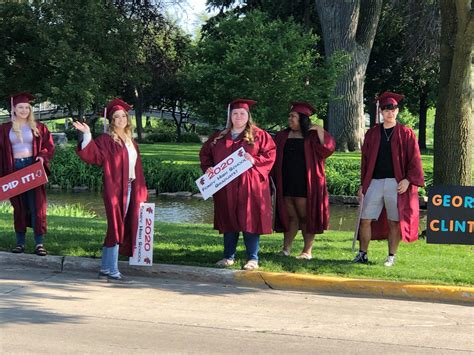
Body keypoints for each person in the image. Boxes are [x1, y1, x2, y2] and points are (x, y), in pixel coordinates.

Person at [73, 98, 147, 281]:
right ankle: (112, 269)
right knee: (116, 227)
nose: (121, 119)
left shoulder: (131, 140)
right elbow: (94, 157)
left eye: (123, 116)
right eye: (117, 116)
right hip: (115, 189)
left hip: (131, 187)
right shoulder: (106, 140)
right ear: (111, 120)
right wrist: (88, 135)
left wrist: (141, 190)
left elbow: (136, 167)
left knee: (118, 227)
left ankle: (106, 268)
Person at [199, 99, 276, 271]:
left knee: (250, 220)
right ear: (230, 116)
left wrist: (254, 160)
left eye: (242, 113)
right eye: (235, 113)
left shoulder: (259, 135)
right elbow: (205, 155)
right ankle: (228, 256)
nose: (238, 116)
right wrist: (208, 168)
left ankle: (253, 258)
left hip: (251, 185)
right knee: (228, 219)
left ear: (248, 116)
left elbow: (270, 154)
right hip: (225, 185)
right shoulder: (219, 137)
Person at [354, 92, 424, 266]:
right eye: (385, 109)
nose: (389, 112)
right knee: (365, 220)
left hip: (396, 183)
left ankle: (391, 256)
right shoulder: (372, 134)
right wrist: (363, 184)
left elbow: (414, 159)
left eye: (392, 109)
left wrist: (408, 180)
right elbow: (365, 162)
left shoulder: (406, 134)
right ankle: (362, 254)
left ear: (397, 111)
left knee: (394, 221)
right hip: (374, 182)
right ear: (381, 112)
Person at [272, 102, 336, 260]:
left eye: (293, 116)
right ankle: (286, 248)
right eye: (290, 116)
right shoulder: (282, 136)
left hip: (306, 182)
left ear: (302, 119)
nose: (290, 119)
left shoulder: (312, 136)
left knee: (306, 217)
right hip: (286, 181)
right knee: (290, 216)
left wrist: (320, 130)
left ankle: (307, 251)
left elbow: (327, 149)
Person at [0, 92, 55, 256]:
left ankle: (39, 244)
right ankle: (20, 243)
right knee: (19, 206)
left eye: (26, 107)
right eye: (20, 107)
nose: (24, 110)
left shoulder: (38, 127)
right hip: (13, 168)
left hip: (33, 168)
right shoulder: (4, 129)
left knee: (37, 205)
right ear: (14, 109)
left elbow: (48, 146)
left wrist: (42, 157)